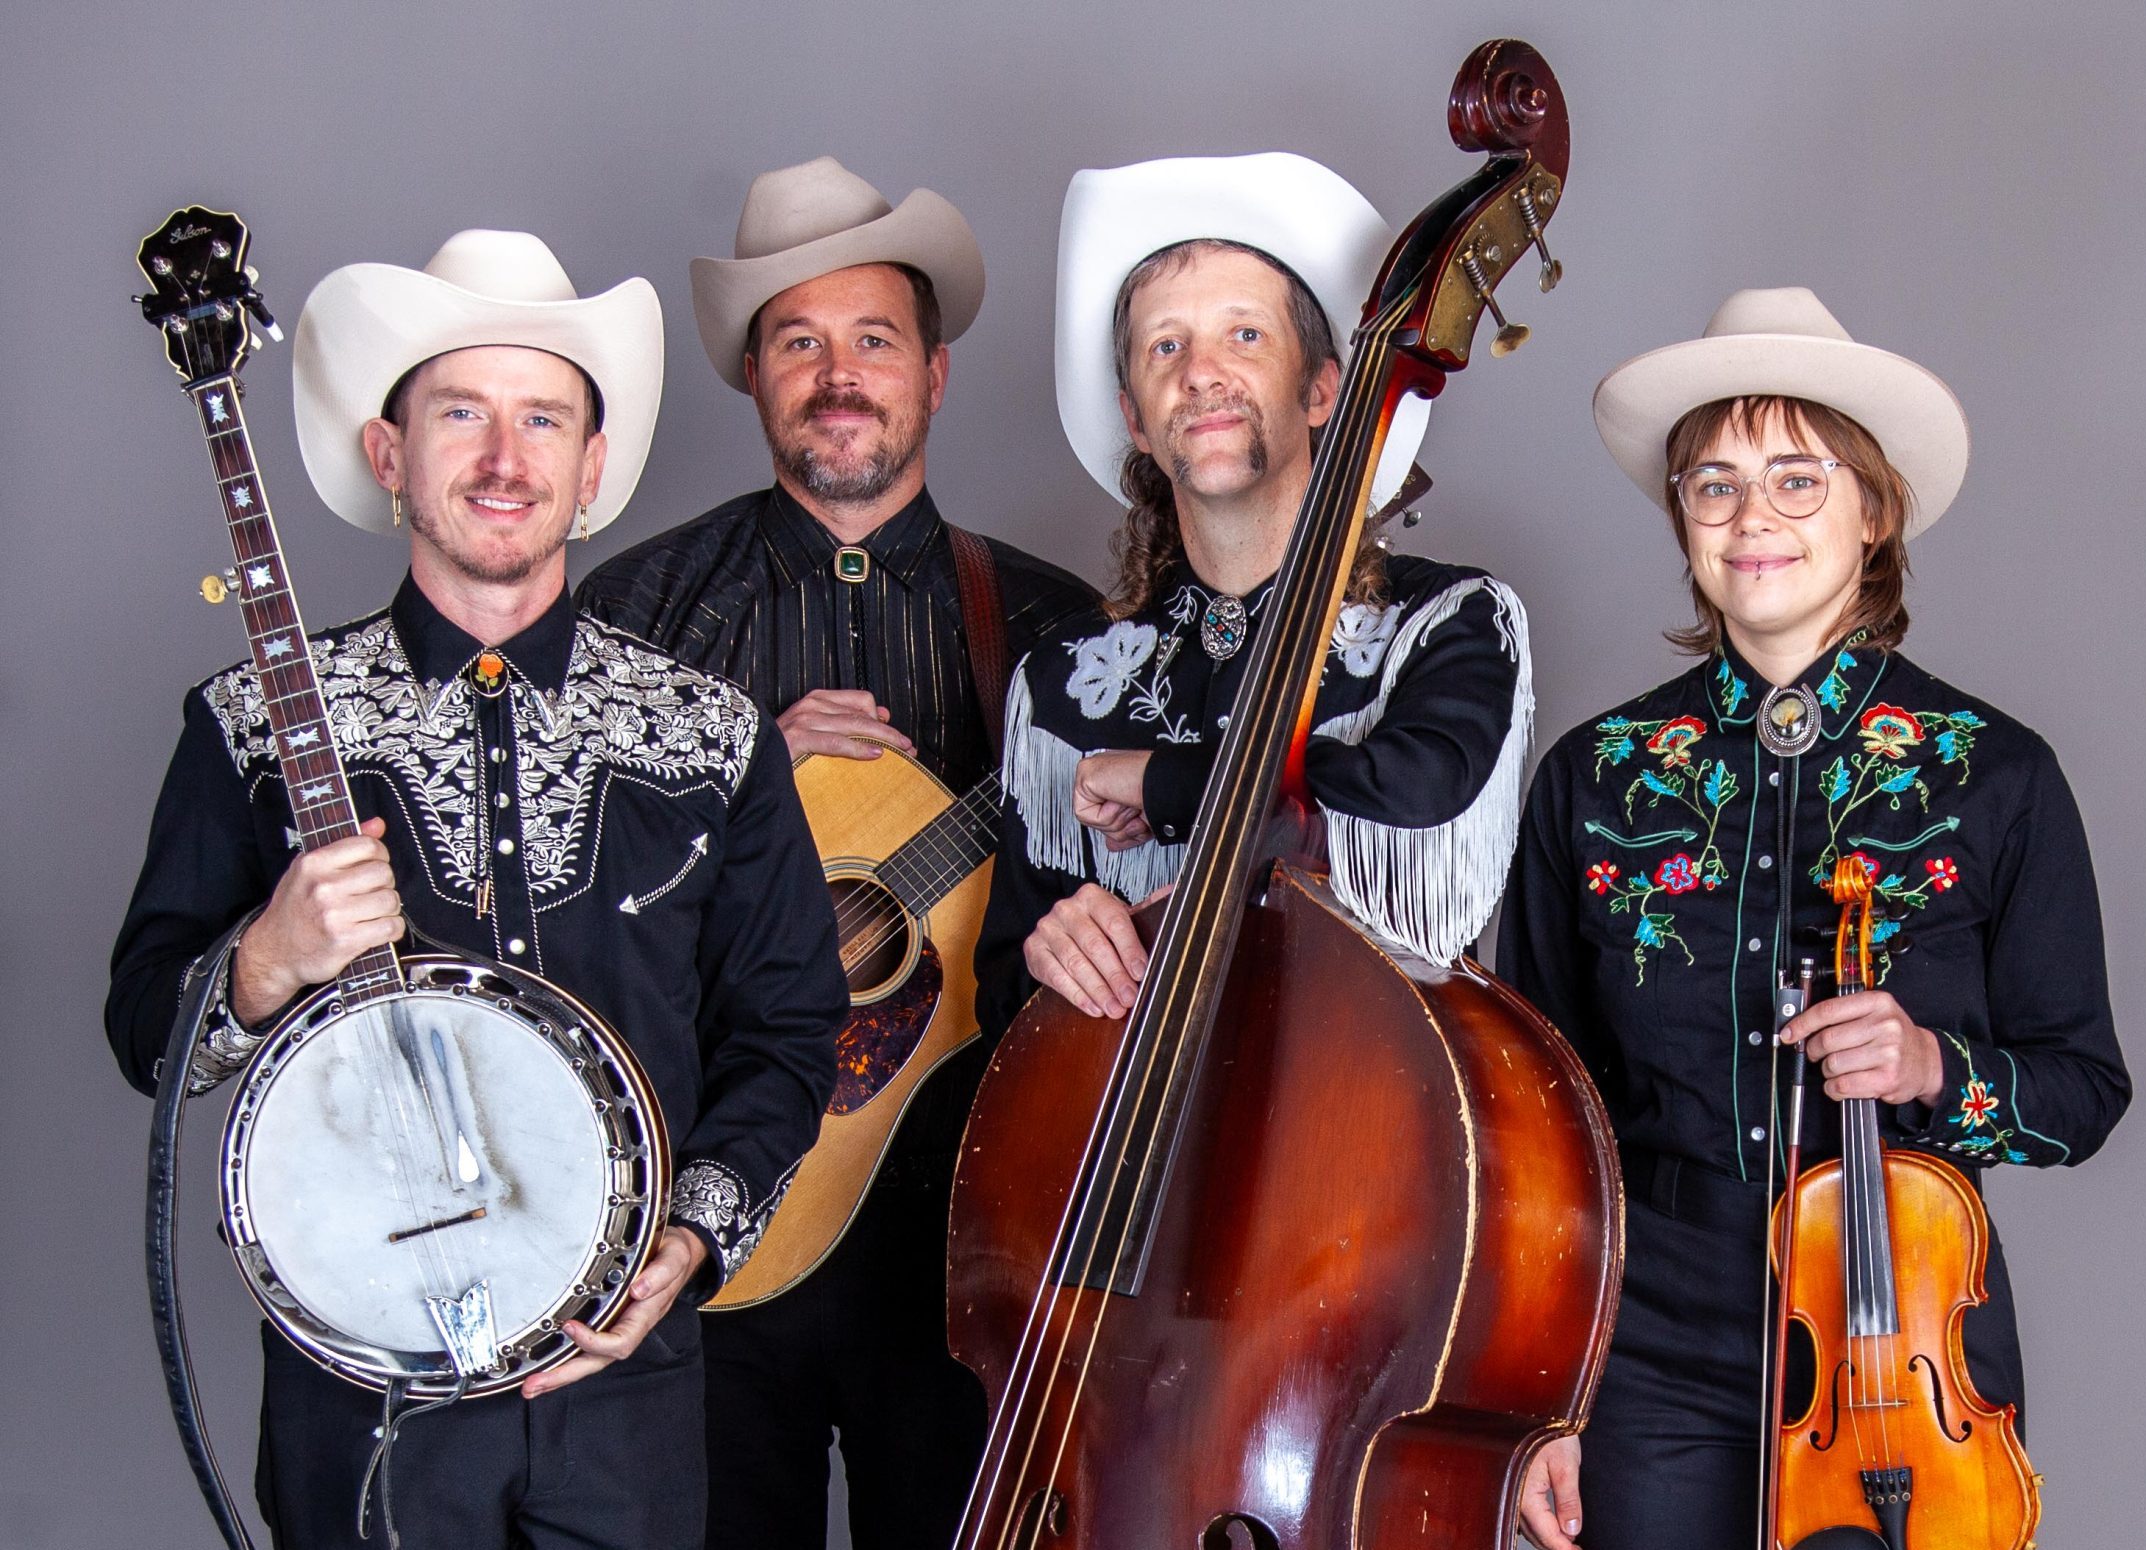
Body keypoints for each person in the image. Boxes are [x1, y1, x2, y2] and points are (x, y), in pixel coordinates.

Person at [107, 229, 848, 1550]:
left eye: (544, 420)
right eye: (462, 414)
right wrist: (266, 958)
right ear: (391, 458)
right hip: (362, 1405)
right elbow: (143, 1036)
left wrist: (685, 1245)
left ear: (590, 469)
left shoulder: (714, 736)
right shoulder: (252, 724)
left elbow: (789, 1031)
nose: (506, 460)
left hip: (627, 1386)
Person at [1497, 288, 2132, 1550]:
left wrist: (1929, 1064)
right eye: (1714, 484)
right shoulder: (1596, 771)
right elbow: (1536, 1109)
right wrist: (1537, 1397)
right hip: (1648, 1325)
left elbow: (2080, 1092)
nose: (1752, 518)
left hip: (1893, 1322)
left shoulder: (1991, 772)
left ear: (1872, 508)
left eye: (1797, 478)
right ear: (1681, 518)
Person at [574, 158, 1093, 1550]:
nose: (838, 373)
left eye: (872, 339)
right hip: (719, 1219)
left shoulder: (1059, 624)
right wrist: (733, 771)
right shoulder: (638, 614)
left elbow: (1141, 880)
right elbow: (564, 910)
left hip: (977, 1230)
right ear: (755, 375)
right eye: (798, 340)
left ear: (933, 372)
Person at [976, 150, 1529, 1045]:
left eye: (1243, 336)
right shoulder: (1061, 681)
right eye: (1167, 345)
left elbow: (1413, 801)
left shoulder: (1449, 622)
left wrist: (1161, 783)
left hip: (1362, 1132)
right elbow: (1001, 1005)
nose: (1200, 373)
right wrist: (1049, 954)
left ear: (1322, 391)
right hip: (1125, 1155)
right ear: (1135, 418)